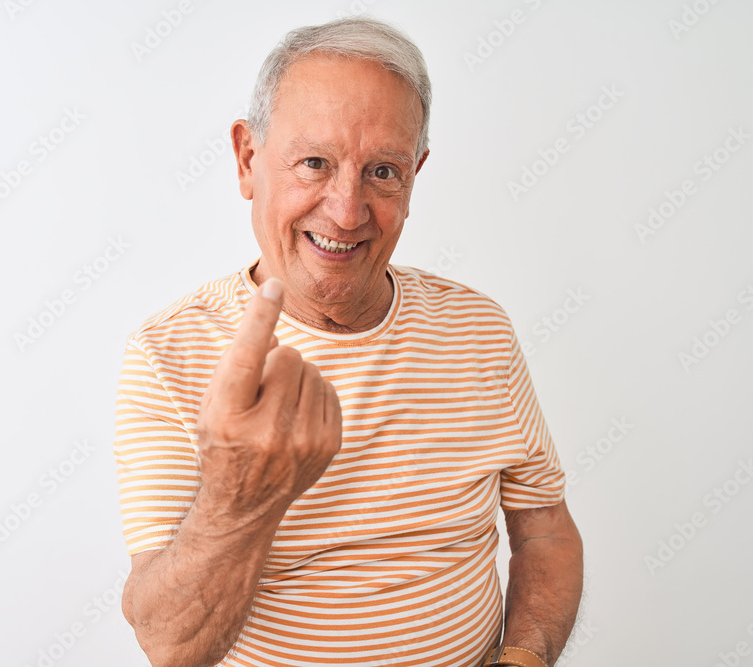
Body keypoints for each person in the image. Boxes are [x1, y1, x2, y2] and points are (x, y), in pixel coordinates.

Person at [114, 16, 583, 667]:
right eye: (314, 163)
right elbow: (170, 644)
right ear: (248, 159)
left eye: (383, 171)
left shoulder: (480, 330)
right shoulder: (170, 355)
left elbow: (546, 535)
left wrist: (524, 658)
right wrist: (243, 493)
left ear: (415, 176)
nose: (346, 209)